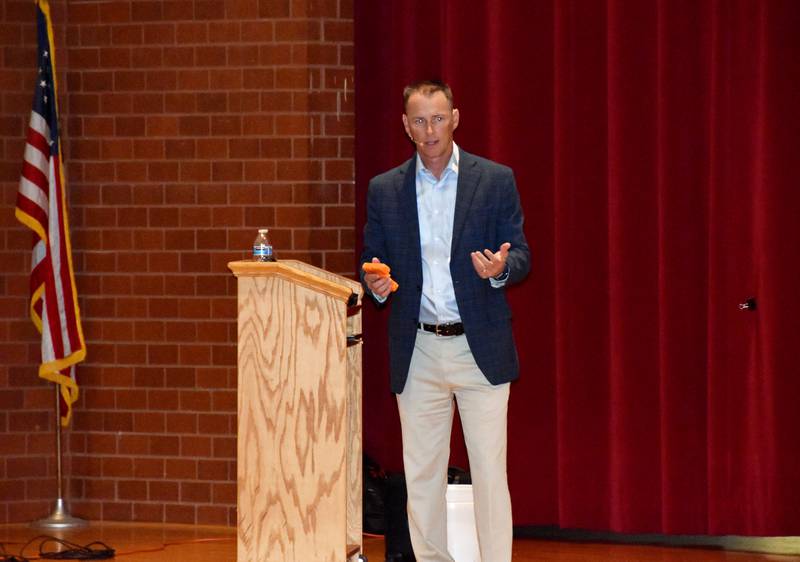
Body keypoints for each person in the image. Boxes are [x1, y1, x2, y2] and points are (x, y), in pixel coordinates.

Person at [361, 79, 530, 562]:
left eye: (438, 118)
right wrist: (375, 281)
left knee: (490, 473)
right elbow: (373, 260)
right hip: (418, 349)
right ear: (405, 126)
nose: (429, 129)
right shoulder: (386, 189)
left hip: (480, 349)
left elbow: (520, 254)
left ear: (455, 118)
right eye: (419, 120)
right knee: (422, 475)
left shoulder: (494, 180)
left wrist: (501, 270)